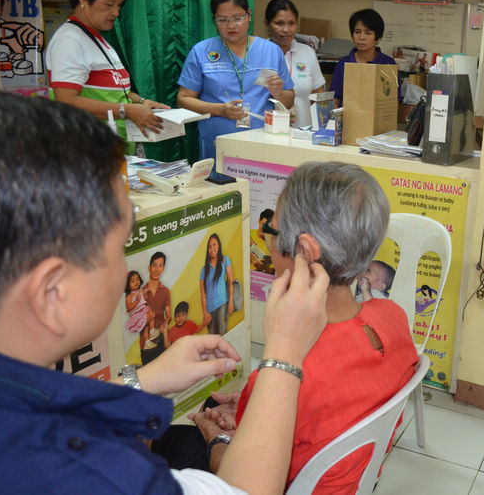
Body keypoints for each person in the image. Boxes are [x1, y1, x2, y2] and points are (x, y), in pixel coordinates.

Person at [0, 89, 330, 494]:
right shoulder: (90, 477)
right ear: (52, 292)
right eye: (121, 243)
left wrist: (139, 382)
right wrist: (283, 355)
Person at [164, 162, 419, 492]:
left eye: (272, 230)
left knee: (171, 436)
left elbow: (241, 485)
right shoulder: (392, 316)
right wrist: (249, 403)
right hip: (351, 474)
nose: (269, 241)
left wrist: (220, 438)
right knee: (216, 405)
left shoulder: (292, 365)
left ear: (304, 251)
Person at [45, 0, 169, 155]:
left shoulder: (97, 38)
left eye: (119, 5)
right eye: (109, 5)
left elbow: (113, 89)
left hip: (111, 150)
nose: (116, 13)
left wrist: (141, 101)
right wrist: (127, 110)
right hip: (87, 152)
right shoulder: (69, 40)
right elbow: (67, 101)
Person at [177, 0, 295, 162]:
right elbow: (183, 99)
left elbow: (289, 98)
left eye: (237, 18)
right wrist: (220, 110)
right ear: (214, 19)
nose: (231, 25)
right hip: (217, 147)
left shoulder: (271, 51)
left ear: (249, 15)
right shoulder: (201, 51)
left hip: (262, 146)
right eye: (222, 19)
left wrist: (278, 92)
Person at [264, 0, 326, 128]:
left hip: (303, 134)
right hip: (267, 132)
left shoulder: (307, 53)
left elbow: (319, 98)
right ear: (267, 24)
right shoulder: (259, 54)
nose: (286, 29)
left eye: (291, 23)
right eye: (279, 23)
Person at [329, 8, 398, 107]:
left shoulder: (388, 64)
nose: (361, 37)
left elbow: (393, 102)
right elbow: (335, 99)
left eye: (368, 33)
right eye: (357, 32)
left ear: (378, 37)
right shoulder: (343, 64)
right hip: (347, 121)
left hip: (377, 121)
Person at [200, 233, 235, 336]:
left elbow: (231, 282)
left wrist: (231, 302)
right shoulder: (204, 269)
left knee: (221, 336)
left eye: (214, 245)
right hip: (210, 310)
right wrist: (205, 312)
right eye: (209, 247)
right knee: (212, 341)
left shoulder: (225, 260)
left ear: (218, 245)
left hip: (222, 304)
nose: (212, 248)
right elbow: (203, 294)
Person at [141, 250, 171, 364]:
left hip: (161, 340)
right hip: (145, 343)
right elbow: (137, 320)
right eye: (154, 265)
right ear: (149, 268)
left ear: (163, 268)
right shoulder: (141, 292)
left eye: (160, 266)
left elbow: (168, 316)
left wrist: (165, 324)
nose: (157, 269)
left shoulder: (166, 291)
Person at [124, 270, 155, 352]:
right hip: (137, 316)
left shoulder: (139, 291)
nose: (136, 282)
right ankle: (151, 333)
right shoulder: (129, 296)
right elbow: (129, 308)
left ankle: (149, 338)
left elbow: (144, 300)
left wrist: (146, 294)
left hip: (143, 312)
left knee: (149, 319)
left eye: (137, 279)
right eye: (133, 281)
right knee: (148, 317)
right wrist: (136, 301)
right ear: (127, 286)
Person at [250, 207, 275, 273]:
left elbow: (272, 271)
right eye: (263, 224)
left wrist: (258, 266)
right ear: (259, 220)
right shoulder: (248, 233)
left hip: (259, 278)